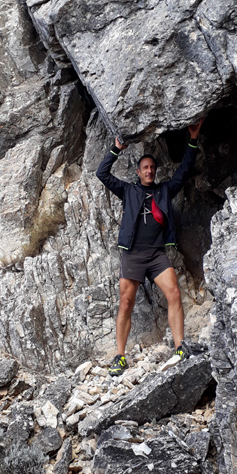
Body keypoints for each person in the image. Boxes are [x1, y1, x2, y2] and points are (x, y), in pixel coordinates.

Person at [96, 120, 203, 376]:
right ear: (138, 171)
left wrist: (193, 139)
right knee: (126, 302)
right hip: (133, 254)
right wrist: (116, 148)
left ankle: (180, 347)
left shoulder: (164, 191)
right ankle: (120, 356)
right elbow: (102, 174)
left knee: (174, 293)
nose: (149, 171)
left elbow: (185, 170)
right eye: (145, 167)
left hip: (156, 255)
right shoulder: (128, 191)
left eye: (152, 168)